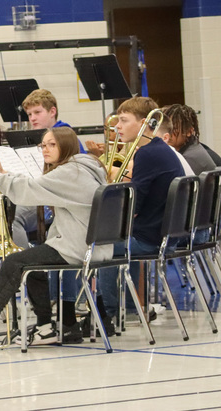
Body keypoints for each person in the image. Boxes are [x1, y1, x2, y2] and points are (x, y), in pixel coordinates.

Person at [0, 127, 109, 345]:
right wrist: (3, 174)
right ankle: (44, 328)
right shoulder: (83, 167)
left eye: (52, 145)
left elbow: (28, 191)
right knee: (31, 264)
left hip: (78, 247)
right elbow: (37, 184)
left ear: (66, 146)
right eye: (43, 145)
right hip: (92, 245)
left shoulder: (69, 173)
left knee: (15, 262)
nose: (45, 149)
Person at [98, 97, 187, 327]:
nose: (117, 126)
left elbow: (134, 206)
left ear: (145, 124)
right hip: (164, 235)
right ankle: (129, 308)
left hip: (151, 238)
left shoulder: (147, 153)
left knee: (100, 246)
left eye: (124, 120)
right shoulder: (160, 149)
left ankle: (108, 313)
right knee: (120, 238)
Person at [162, 104, 215, 175]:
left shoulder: (189, 158)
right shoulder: (193, 146)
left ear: (189, 132)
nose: (168, 134)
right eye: (167, 128)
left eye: (174, 129)